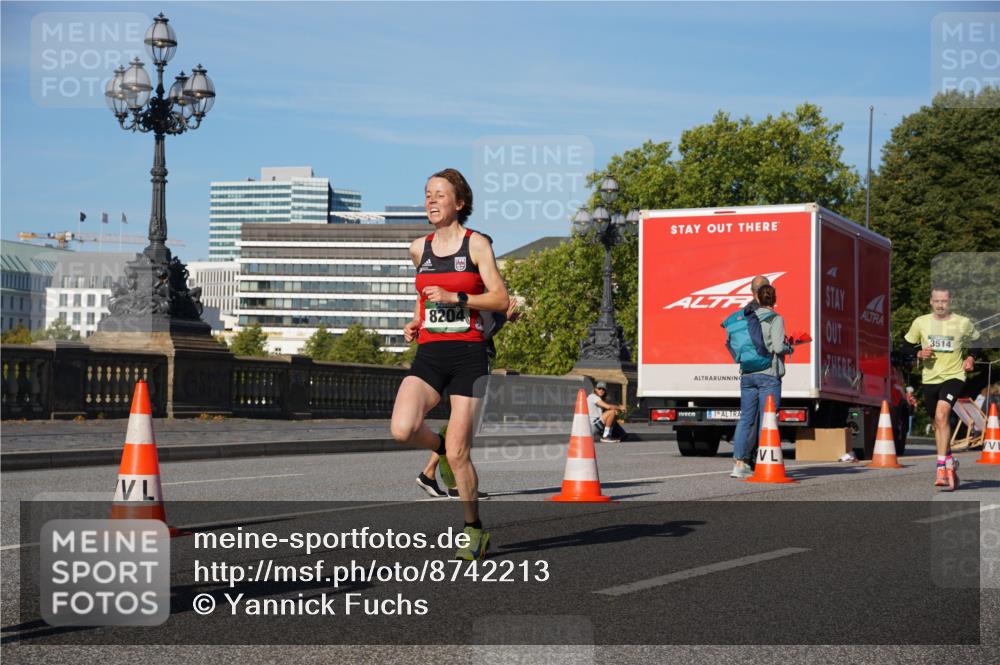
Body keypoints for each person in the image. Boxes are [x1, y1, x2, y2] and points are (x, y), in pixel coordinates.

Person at [390, 168, 509, 560]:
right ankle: (440, 449)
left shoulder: (476, 245)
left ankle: (473, 528)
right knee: (402, 429)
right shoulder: (418, 248)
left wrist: (457, 298)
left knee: (461, 453)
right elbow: (424, 295)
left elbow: (500, 299)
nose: (431, 200)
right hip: (429, 353)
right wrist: (415, 320)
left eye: (440, 194)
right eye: (428, 194)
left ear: (459, 202)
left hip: (468, 357)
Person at [415, 292, 521, 499]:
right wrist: (503, 316)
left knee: (461, 420)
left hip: (445, 356)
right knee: (466, 422)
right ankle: (456, 484)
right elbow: (484, 330)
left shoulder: (451, 289)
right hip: (471, 359)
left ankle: (430, 473)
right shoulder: (475, 290)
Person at [904, 287, 981, 490]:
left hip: (954, 376)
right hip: (930, 378)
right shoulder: (920, 322)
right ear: (931, 302)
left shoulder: (962, 323)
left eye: (944, 301)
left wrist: (971, 357)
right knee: (938, 423)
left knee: (942, 414)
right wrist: (918, 354)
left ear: (950, 302)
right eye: (937, 301)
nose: (940, 305)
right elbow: (905, 346)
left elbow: (978, 340)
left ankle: (940, 468)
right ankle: (949, 461)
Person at [729, 284, 793, 478]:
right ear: (774, 299)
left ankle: (739, 464)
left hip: (747, 373)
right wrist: (790, 347)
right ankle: (762, 462)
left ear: (757, 298)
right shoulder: (775, 318)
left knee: (746, 419)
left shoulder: (747, 317)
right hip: (768, 375)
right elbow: (778, 347)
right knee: (768, 419)